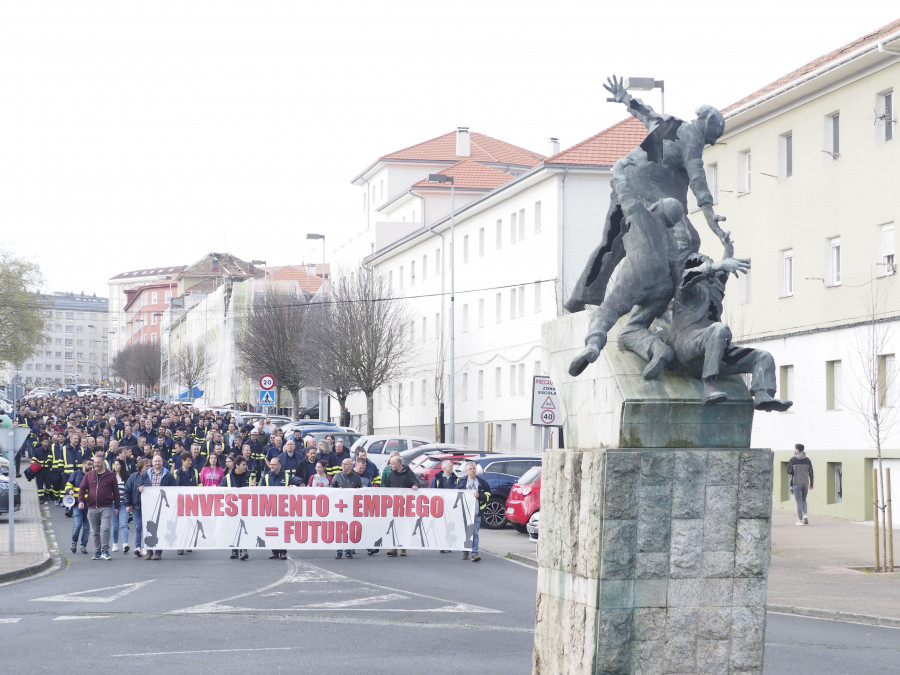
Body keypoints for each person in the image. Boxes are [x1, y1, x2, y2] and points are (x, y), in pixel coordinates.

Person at [667, 249, 792, 412]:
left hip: (713, 353)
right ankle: (709, 385)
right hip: (686, 349)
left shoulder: (714, 293)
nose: (712, 273)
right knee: (719, 329)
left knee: (762, 357)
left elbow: (722, 275)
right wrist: (714, 266)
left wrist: (727, 248)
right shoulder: (685, 289)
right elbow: (690, 276)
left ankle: (762, 394)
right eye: (709, 268)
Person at [77, 453, 121, 561]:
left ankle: (105, 551)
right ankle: (97, 551)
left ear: (103, 463)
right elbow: (82, 488)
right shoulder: (89, 475)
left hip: (106, 507)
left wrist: (117, 507)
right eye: (94, 463)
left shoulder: (110, 476)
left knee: (105, 529)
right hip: (92, 507)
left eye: (98, 463)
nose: (95, 465)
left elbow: (116, 492)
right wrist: (80, 501)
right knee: (95, 531)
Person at [140, 455, 175, 560]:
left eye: (159, 461)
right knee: (148, 527)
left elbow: (174, 488)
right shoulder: (146, 474)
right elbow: (139, 485)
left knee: (160, 528)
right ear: (152, 463)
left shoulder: (168, 475)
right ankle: (149, 551)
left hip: (162, 506)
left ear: (162, 463)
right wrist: (140, 488)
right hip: (148, 505)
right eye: (155, 461)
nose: (157, 463)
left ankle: (158, 552)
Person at [383, 455, 418, 557]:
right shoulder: (391, 474)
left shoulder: (408, 473)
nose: (391, 466)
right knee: (393, 525)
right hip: (393, 505)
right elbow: (387, 486)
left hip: (405, 505)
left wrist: (415, 486)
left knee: (403, 526)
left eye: (392, 464)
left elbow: (415, 482)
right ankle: (393, 547)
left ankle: (403, 548)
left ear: (398, 464)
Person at [220, 455, 253, 560]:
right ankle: (234, 550)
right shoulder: (227, 478)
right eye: (243, 465)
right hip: (232, 509)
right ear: (237, 466)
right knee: (233, 528)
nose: (245, 466)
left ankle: (243, 550)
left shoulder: (249, 477)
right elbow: (221, 492)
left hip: (245, 507)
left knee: (244, 529)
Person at [457, 460, 490, 562]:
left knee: (475, 533)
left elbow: (488, 495)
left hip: (476, 512)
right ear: (466, 471)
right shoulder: (461, 481)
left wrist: (480, 496)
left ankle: (474, 553)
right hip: (465, 512)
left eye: (474, 469)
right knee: (466, 532)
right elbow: (456, 494)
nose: (472, 471)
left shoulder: (482, 483)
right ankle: (465, 551)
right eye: (470, 469)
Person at [331, 458, 363, 559]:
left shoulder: (356, 477)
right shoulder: (337, 476)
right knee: (339, 529)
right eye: (343, 464)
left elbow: (360, 490)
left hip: (351, 506)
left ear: (351, 466)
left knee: (349, 528)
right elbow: (331, 489)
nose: (343, 466)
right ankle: (339, 550)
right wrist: (336, 490)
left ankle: (348, 550)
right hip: (339, 507)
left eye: (346, 464)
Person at [65, 456, 94, 554]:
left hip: (90, 506)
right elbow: (68, 485)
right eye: (89, 464)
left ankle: (83, 546)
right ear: (83, 465)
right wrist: (69, 490)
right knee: (78, 525)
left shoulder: (93, 475)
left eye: (92, 465)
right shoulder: (76, 474)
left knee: (86, 527)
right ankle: (74, 542)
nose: (90, 466)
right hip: (77, 505)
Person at [261, 457, 288, 560]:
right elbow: (260, 491)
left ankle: (283, 552)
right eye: (270, 464)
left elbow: (294, 489)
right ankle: (274, 552)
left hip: (283, 509)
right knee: (272, 530)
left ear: (279, 466)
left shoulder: (286, 477)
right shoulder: (266, 477)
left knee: (282, 530)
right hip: (270, 509)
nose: (271, 466)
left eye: (274, 464)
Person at [123, 458, 148, 558]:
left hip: (149, 507)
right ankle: (138, 547)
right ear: (141, 467)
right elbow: (127, 491)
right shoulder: (133, 477)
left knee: (148, 528)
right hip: (137, 506)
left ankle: (146, 546)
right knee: (138, 527)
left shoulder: (151, 477)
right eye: (147, 466)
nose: (149, 467)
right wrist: (128, 504)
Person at [788, 443, 814, 525]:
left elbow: (789, 471)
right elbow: (811, 473)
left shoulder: (792, 460)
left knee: (798, 501)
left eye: (795, 448)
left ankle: (800, 520)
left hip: (796, 483)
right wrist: (811, 483)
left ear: (797, 449)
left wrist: (795, 471)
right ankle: (805, 515)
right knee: (804, 500)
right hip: (805, 483)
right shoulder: (808, 460)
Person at [109, 459, 131, 554]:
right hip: (113, 503)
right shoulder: (111, 476)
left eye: (118, 464)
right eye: (115, 464)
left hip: (123, 503)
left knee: (123, 523)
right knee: (114, 525)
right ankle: (115, 544)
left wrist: (129, 503)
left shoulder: (127, 476)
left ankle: (125, 544)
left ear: (122, 466)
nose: (116, 466)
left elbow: (129, 490)